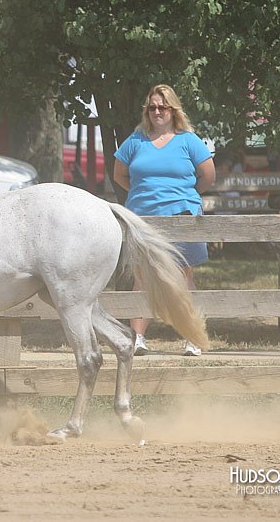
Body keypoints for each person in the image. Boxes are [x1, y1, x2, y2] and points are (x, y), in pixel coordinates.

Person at [112, 84, 215, 356]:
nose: (157, 111)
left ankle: (192, 338)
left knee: (183, 276)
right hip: (142, 217)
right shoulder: (135, 140)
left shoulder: (189, 140)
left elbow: (208, 177)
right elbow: (119, 175)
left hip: (182, 215)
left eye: (163, 107)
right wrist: (143, 194)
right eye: (152, 107)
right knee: (142, 277)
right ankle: (138, 338)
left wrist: (184, 196)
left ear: (173, 109)